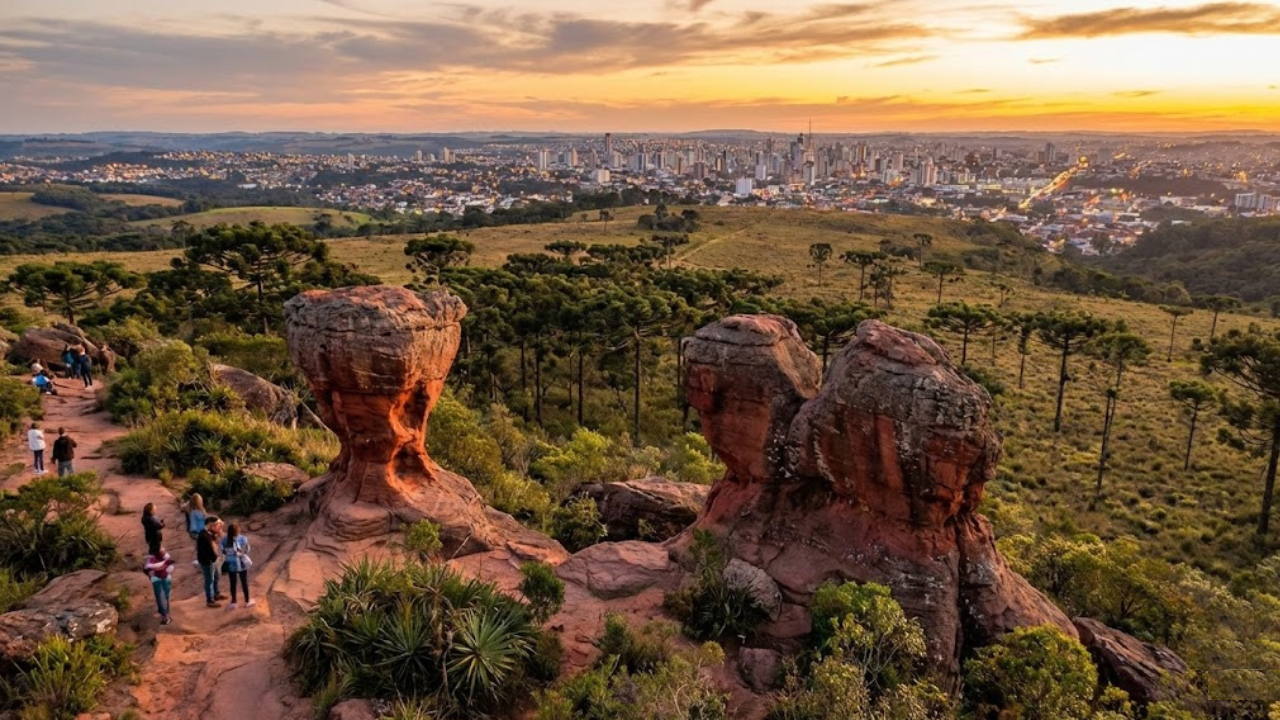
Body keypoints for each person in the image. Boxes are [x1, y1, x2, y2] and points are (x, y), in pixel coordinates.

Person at [221, 523, 255, 609]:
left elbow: (223, 551)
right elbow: (247, 549)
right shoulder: (243, 538)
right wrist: (240, 553)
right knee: (244, 582)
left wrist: (230, 554)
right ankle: (247, 601)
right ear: (238, 530)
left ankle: (234, 602)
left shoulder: (224, 540)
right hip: (241, 563)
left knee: (233, 583)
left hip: (231, 563)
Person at [197, 516, 226, 607]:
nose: (219, 527)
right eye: (217, 525)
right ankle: (210, 600)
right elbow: (209, 549)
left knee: (216, 576)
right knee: (209, 580)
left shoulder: (209, 533)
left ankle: (216, 594)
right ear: (211, 526)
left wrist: (218, 531)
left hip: (213, 559)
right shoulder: (204, 535)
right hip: (208, 561)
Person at [144, 542, 174, 625]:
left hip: (158, 579)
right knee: (163, 597)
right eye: (161, 548)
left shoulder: (151, 560)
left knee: (162, 597)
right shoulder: (161, 558)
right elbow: (170, 567)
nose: (163, 549)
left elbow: (147, 568)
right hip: (161, 578)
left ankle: (164, 614)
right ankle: (165, 616)